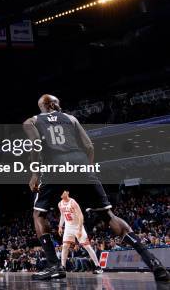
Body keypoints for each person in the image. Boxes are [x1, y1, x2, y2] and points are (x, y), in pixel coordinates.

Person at [23, 94, 168, 281]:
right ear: (51, 104)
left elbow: (36, 144)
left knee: (39, 214)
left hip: (55, 166)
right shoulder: (71, 118)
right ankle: (154, 263)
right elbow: (89, 146)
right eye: (57, 103)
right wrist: (87, 169)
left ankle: (54, 266)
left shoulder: (31, 121)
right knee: (109, 216)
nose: (59, 106)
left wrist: (35, 173)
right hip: (80, 164)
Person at [57, 190, 103, 274]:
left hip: (77, 226)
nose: (61, 194)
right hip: (68, 227)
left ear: (67, 193)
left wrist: (79, 229)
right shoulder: (60, 204)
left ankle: (98, 266)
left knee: (87, 247)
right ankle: (63, 267)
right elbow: (62, 216)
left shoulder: (73, 202)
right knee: (65, 246)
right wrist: (60, 226)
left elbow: (81, 215)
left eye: (63, 192)